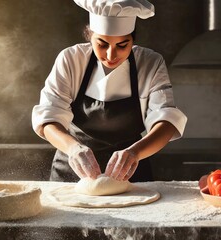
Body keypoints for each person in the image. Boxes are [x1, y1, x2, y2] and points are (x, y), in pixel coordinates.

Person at [32, 0, 187, 182]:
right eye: (102, 44)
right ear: (90, 36)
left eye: (122, 45)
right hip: (71, 172)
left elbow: (167, 121)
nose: (111, 55)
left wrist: (134, 153)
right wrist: (74, 149)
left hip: (130, 173)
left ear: (132, 39)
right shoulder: (71, 59)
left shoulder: (150, 63)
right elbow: (48, 119)